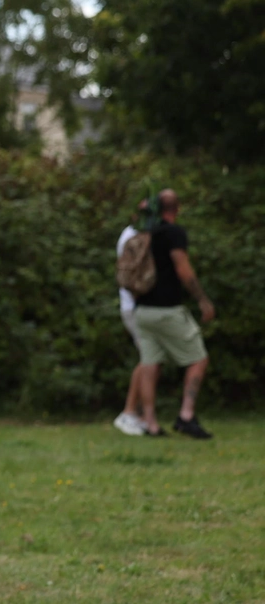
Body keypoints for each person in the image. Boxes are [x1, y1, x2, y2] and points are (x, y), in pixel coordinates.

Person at [134, 188, 215, 439]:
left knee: (150, 364)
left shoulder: (145, 233)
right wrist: (202, 299)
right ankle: (186, 416)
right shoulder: (174, 233)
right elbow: (183, 269)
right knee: (198, 359)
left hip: (142, 311)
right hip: (167, 310)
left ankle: (150, 423)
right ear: (177, 209)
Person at [113, 200, 153, 436]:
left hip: (135, 306)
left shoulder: (130, 234)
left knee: (149, 358)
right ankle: (129, 412)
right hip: (135, 307)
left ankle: (137, 414)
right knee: (148, 357)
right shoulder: (134, 238)